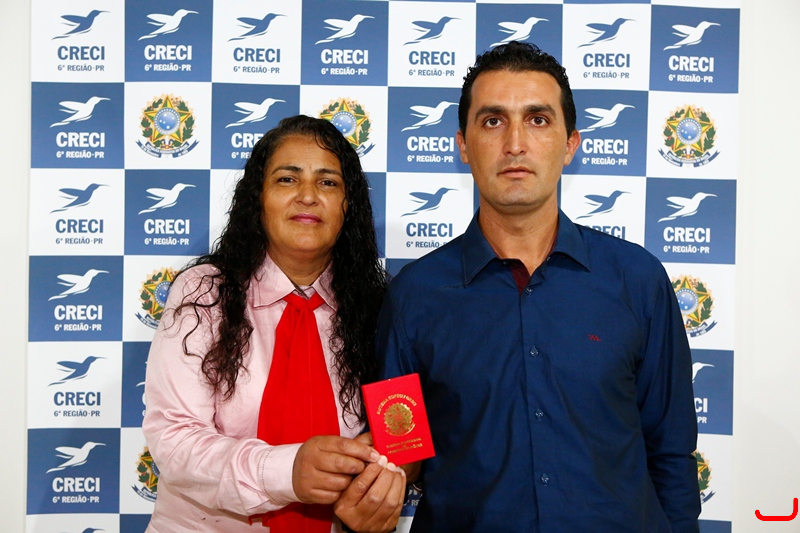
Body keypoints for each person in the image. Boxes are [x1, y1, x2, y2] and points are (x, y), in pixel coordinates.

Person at [375, 42, 701, 532]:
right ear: (462, 145)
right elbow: (397, 454)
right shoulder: (414, 295)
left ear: (570, 144)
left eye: (538, 120)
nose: (515, 144)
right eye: (492, 121)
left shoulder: (638, 280)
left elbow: (671, 453)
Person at [143, 115, 406, 533]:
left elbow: (402, 437)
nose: (308, 196)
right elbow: (174, 439)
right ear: (258, 198)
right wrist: (287, 471)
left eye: (328, 183)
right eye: (287, 179)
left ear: (348, 205)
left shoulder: (383, 306)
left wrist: (376, 492)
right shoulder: (204, 293)